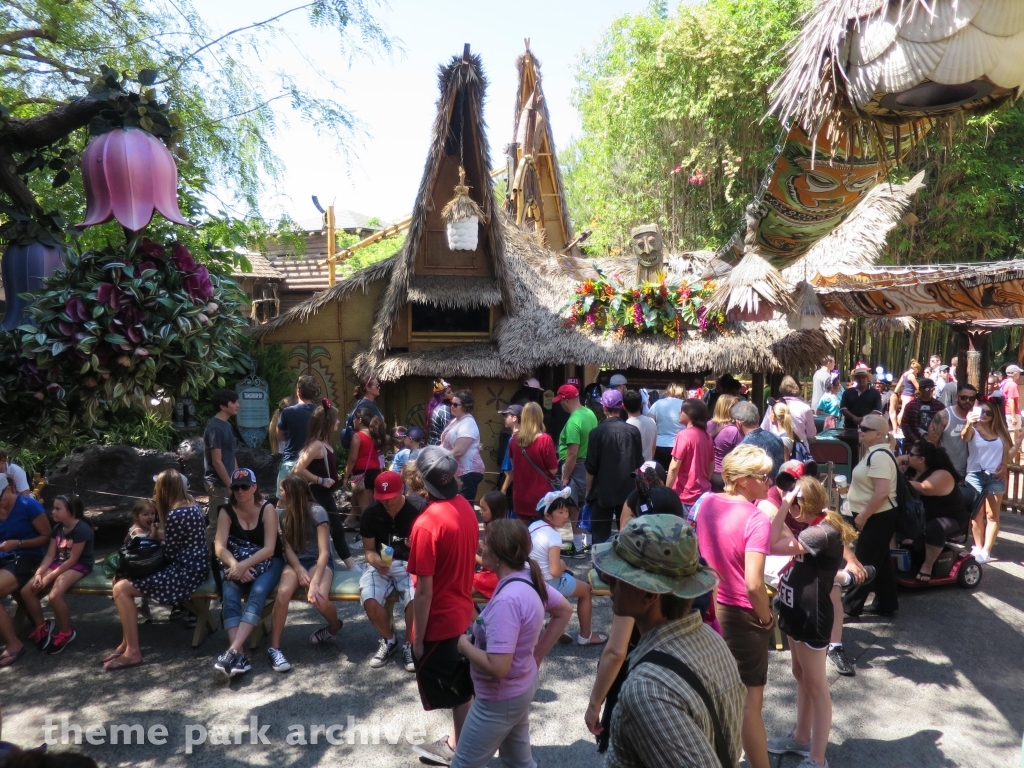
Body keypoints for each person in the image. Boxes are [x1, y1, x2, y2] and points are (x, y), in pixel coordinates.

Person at [593, 514, 744, 768]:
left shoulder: (647, 691)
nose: (609, 581)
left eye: (620, 575)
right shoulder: (710, 640)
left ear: (649, 593)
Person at [453, 520, 571, 768]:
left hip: (497, 698)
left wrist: (464, 646)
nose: (481, 546)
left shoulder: (507, 601)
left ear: (497, 555)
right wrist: (535, 657)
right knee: (519, 762)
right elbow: (564, 609)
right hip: (520, 687)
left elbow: (498, 667)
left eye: (486, 542)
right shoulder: (528, 575)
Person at [768, 476, 857, 768]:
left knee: (816, 686)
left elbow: (773, 544)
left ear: (800, 505)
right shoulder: (812, 527)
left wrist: (782, 504)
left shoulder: (822, 532)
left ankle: (817, 759)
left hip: (812, 616)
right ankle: (801, 738)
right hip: (796, 610)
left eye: (793, 502)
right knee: (799, 673)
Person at [695, 444, 775, 768]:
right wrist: (768, 619)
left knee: (714, 693)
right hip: (743, 615)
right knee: (750, 703)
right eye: (763, 476)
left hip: (707, 608)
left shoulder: (706, 503)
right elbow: (754, 584)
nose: (769, 481)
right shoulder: (756, 519)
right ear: (742, 480)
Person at [407, 447, 480, 766]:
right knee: (461, 685)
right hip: (462, 609)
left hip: (439, 618)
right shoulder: (465, 506)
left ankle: (462, 751)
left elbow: (424, 592)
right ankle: (458, 743)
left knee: (457, 690)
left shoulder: (426, 525)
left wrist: (418, 639)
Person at [107, 469, 209, 670]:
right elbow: (180, 541)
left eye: (157, 487)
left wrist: (152, 543)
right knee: (122, 582)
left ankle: (133, 652)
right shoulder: (191, 502)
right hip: (198, 565)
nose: (155, 491)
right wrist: (159, 538)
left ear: (164, 489)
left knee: (121, 588)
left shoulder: (175, 514)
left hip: (186, 571)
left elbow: (170, 554)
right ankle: (127, 642)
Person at [212, 468, 284, 678]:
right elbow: (219, 547)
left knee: (258, 591)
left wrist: (242, 566)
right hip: (238, 561)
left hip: (269, 561)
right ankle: (240, 656)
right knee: (229, 592)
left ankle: (232, 651)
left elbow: (270, 549)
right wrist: (236, 566)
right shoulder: (226, 511)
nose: (240, 491)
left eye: (245, 486)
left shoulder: (267, 508)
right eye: (236, 487)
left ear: (255, 487)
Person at [266, 474, 342, 673]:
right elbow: (288, 549)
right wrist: (298, 569)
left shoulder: (317, 512)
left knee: (318, 598)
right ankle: (274, 648)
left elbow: (324, 551)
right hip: (296, 561)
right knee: (282, 595)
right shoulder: (282, 514)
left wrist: (314, 582)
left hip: (319, 560)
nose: (279, 493)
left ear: (292, 493)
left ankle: (334, 627)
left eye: (282, 490)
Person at [360, 470, 425, 672]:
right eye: (382, 498)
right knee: (369, 599)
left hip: (410, 563)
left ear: (402, 490)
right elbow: (369, 550)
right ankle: (389, 639)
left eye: (391, 497)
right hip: (381, 565)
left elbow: (431, 546)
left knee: (416, 598)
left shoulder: (419, 508)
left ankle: (409, 643)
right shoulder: (371, 513)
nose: (387, 502)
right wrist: (376, 562)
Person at [528, 491, 605, 646]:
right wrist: (563, 565)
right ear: (548, 515)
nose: (565, 515)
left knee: (569, 580)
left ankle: (554, 624)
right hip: (547, 583)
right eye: (560, 512)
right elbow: (555, 571)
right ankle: (585, 636)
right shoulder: (553, 536)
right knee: (585, 590)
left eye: (567, 511)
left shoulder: (533, 526)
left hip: (531, 578)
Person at [842, 413, 899, 619]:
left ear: (879, 434)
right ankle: (887, 602)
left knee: (863, 560)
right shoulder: (874, 453)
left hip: (877, 516)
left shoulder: (880, 455)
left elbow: (882, 492)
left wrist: (863, 516)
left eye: (865, 429)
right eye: (860, 427)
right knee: (880, 559)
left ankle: (850, 606)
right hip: (874, 515)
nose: (860, 431)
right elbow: (872, 486)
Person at [21, 495, 92, 655]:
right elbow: (49, 555)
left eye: (57, 508)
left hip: (79, 564)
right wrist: (40, 573)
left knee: (54, 596)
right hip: (60, 562)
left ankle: (66, 632)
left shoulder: (82, 530)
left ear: (71, 512)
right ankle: (41, 626)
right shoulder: (57, 528)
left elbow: (72, 559)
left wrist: (49, 577)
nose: (52, 511)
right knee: (27, 591)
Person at [293, 400, 357, 569]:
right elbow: (298, 468)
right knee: (318, 531)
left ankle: (351, 565)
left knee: (337, 528)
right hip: (316, 494)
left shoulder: (325, 444)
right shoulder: (317, 445)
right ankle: (315, 564)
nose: (338, 422)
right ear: (327, 422)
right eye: (335, 419)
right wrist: (320, 479)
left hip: (325, 494)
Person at [897, 442, 970, 583]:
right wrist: (899, 469)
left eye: (911, 454)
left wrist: (897, 477)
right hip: (924, 516)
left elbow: (925, 488)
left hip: (952, 519)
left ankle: (928, 566)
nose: (907, 456)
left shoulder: (942, 474)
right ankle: (894, 558)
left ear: (921, 459)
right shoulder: (913, 471)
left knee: (934, 527)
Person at [0, 480, 50, 667]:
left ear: (9, 489)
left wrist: (18, 543)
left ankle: (13, 643)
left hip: (27, 557)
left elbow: (46, 537)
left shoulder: (29, 505)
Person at [584, 389, 643, 545]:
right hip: (627, 490)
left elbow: (591, 468)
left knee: (600, 538)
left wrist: (587, 492)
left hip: (602, 491)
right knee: (627, 535)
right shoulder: (633, 431)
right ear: (622, 406)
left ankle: (599, 568)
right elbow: (639, 464)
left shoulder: (596, 433)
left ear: (604, 407)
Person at [961, 399, 1012, 565]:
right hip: (975, 474)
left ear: (993, 416)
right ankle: (978, 545)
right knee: (976, 513)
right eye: (981, 411)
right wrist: (969, 423)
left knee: (992, 515)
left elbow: (1006, 452)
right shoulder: (973, 429)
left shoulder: (1000, 432)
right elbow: (964, 437)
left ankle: (986, 550)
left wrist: (1005, 465)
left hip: (994, 476)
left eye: (988, 413)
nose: (984, 415)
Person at [554, 383, 598, 557]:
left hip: (576, 465)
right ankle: (587, 543)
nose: (560, 405)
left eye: (561, 401)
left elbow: (572, 453)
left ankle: (578, 546)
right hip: (588, 463)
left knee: (574, 505)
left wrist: (565, 477)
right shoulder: (590, 413)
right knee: (586, 503)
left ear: (566, 400)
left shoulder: (573, 421)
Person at [509, 402, 558, 523]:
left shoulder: (514, 440)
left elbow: (514, 465)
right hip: (541, 497)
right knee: (542, 535)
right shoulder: (545, 440)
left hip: (520, 496)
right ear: (540, 417)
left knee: (524, 537)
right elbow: (553, 470)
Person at [666, 399, 714, 514]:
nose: (679, 413)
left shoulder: (683, 435)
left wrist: (666, 491)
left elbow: (674, 467)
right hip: (703, 494)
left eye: (682, 410)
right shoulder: (707, 436)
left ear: (689, 414)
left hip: (684, 495)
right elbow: (711, 464)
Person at [342, 405, 388, 526]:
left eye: (354, 419)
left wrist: (345, 476)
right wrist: (378, 453)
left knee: (364, 508)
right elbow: (388, 442)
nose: (353, 421)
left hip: (361, 473)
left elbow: (352, 458)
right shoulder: (375, 434)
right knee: (372, 504)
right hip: (375, 471)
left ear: (360, 420)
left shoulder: (357, 436)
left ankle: (366, 537)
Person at [203, 388, 239, 538]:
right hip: (218, 484)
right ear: (223, 406)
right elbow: (216, 461)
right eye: (234, 402)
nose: (238, 405)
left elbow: (231, 455)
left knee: (230, 522)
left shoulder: (228, 425)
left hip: (229, 481)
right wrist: (230, 484)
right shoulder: (215, 428)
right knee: (216, 524)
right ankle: (206, 558)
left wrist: (237, 478)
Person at [440, 389, 486, 503]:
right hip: (456, 471)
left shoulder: (468, 423)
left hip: (467, 473)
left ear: (465, 406)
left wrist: (438, 459)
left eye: (455, 404)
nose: (452, 406)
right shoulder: (456, 420)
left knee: (463, 507)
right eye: (451, 403)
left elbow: (459, 451)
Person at [275, 374, 320, 486]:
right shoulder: (322, 412)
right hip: (315, 462)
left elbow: (279, 435)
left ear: (298, 392)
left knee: (284, 499)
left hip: (291, 460)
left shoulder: (287, 412)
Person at [926, 382, 976, 478]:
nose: (967, 401)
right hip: (946, 470)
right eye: (964, 398)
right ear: (957, 397)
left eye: (971, 398)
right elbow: (930, 444)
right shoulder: (944, 416)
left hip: (971, 472)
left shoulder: (978, 417)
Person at [761, 376, 816, 456]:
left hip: (776, 450)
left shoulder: (773, 405)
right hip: (798, 453)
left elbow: (764, 429)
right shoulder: (805, 408)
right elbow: (811, 434)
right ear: (798, 388)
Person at [621, 461, 684, 527]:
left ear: (661, 480)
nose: (641, 482)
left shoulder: (670, 498)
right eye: (639, 477)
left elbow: (622, 531)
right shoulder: (634, 498)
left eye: (647, 479)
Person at [734, 400, 785, 478]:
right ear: (758, 418)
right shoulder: (776, 438)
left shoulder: (743, 448)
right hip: (777, 488)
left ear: (738, 423)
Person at [473, 491, 506, 598]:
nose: (480, 512)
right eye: (480, 508)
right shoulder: (499, 527)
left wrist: (471, 553)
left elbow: (489, 564)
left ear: (495, 510)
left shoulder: (495, 531)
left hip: (495, 577)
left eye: (484, 509)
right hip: (496, 574)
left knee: (461, 595)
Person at [900, 377, 945, 455]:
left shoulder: (939, 406)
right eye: (927, 389)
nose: (930, 392)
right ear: (920, 389)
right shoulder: (911, 405)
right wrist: (915, 440)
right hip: (913, 444)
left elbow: (944, 424)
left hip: (934, 445)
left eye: (932, 389)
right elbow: (905, 424)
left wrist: (934, 440)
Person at [649, 382, 686, 469]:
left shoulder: (658, 403)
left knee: (660, 475)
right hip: (680, 445)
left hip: (659, 445)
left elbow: (650, 421)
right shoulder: (686, 404)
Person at [498, 404, 522, 504]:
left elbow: (511, 470)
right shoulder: (523, 437)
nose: (504, 418)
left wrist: (503, 490)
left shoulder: (514, 439)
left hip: (513, 487)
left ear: (514, 418)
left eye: (506, 416)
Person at [624, 390, 657, 461]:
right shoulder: (652, 422)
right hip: (648, 466)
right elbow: (653, 447)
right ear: (641, 404)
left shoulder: (625, 426)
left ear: (623, 406)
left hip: (633, 468)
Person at [895, 360, 921, 426]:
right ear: (916, 369)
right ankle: (900, 426)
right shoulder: (911, 375)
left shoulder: (904, 374)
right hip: (909, 395)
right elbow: (918, 387)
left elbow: (899, 384)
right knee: (903, 411)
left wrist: (895, 393)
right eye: (918, 370)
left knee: (905, 411)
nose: (917, 372)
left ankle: (901, 425)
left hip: (904, 394)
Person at [1002, 364, 1021, 449]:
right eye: (1019, 373)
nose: (1019, 375)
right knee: (1015, 434)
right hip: (1011, 413)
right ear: (1015, 374)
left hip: (1005, 411)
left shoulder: (1004, 382)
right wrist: (1013, 417)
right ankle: (1013, 456)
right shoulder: (1013, 385)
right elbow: (1011, 400)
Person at [429, 382, 454, 446]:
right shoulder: (444, 409)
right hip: (438, 447)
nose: (452, 393)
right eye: (449, 392)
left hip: (432, 445)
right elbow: (449, 430)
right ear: (442, 396)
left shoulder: (436, 407)